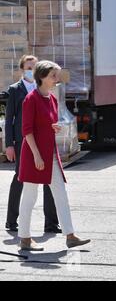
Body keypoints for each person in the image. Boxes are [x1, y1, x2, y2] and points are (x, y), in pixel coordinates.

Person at [18, 60, 90, 251]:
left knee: (61, 194)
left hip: (51, 153)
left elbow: (44, 123)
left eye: (56, 75)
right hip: (35, 155)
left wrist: (53, 127)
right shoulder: (30, 99)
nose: (57, 79)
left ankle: (70, 235)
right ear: (42, 77)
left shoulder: (51, 98)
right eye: (53, 75)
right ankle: (24, 238)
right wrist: (36, 156)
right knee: (30, 196)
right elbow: (27, 131)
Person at [4, 55, 60, 233]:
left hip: (43, 140)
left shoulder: (44, 89)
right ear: (22, 69)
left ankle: (51, 223)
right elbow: (9, 119)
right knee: (20, 179)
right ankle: (11, 221)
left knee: (49, 179)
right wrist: (9, 144)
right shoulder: (15, 90)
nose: (32, 69)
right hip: (23, 141)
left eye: (34, 66)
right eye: (28, 67)